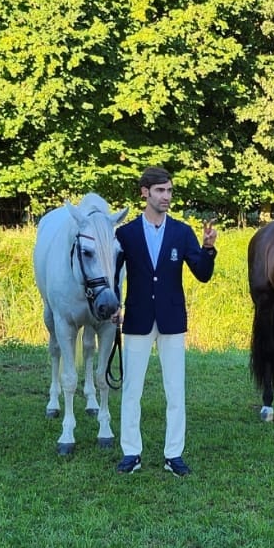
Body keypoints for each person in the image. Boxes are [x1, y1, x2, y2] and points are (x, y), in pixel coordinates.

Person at [112, 167, 217, 477]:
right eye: (160, 191)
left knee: (176, 390)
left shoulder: (182, 232)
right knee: (132, 390)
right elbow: (113, 273)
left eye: (169, 191)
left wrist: (208, 248)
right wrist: (114, 305)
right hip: (137, 319)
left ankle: (174, 455)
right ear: (145, 192)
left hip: (172, 320)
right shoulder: (126, 234)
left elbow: (202, 274)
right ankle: (131, 452)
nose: (167, 196)